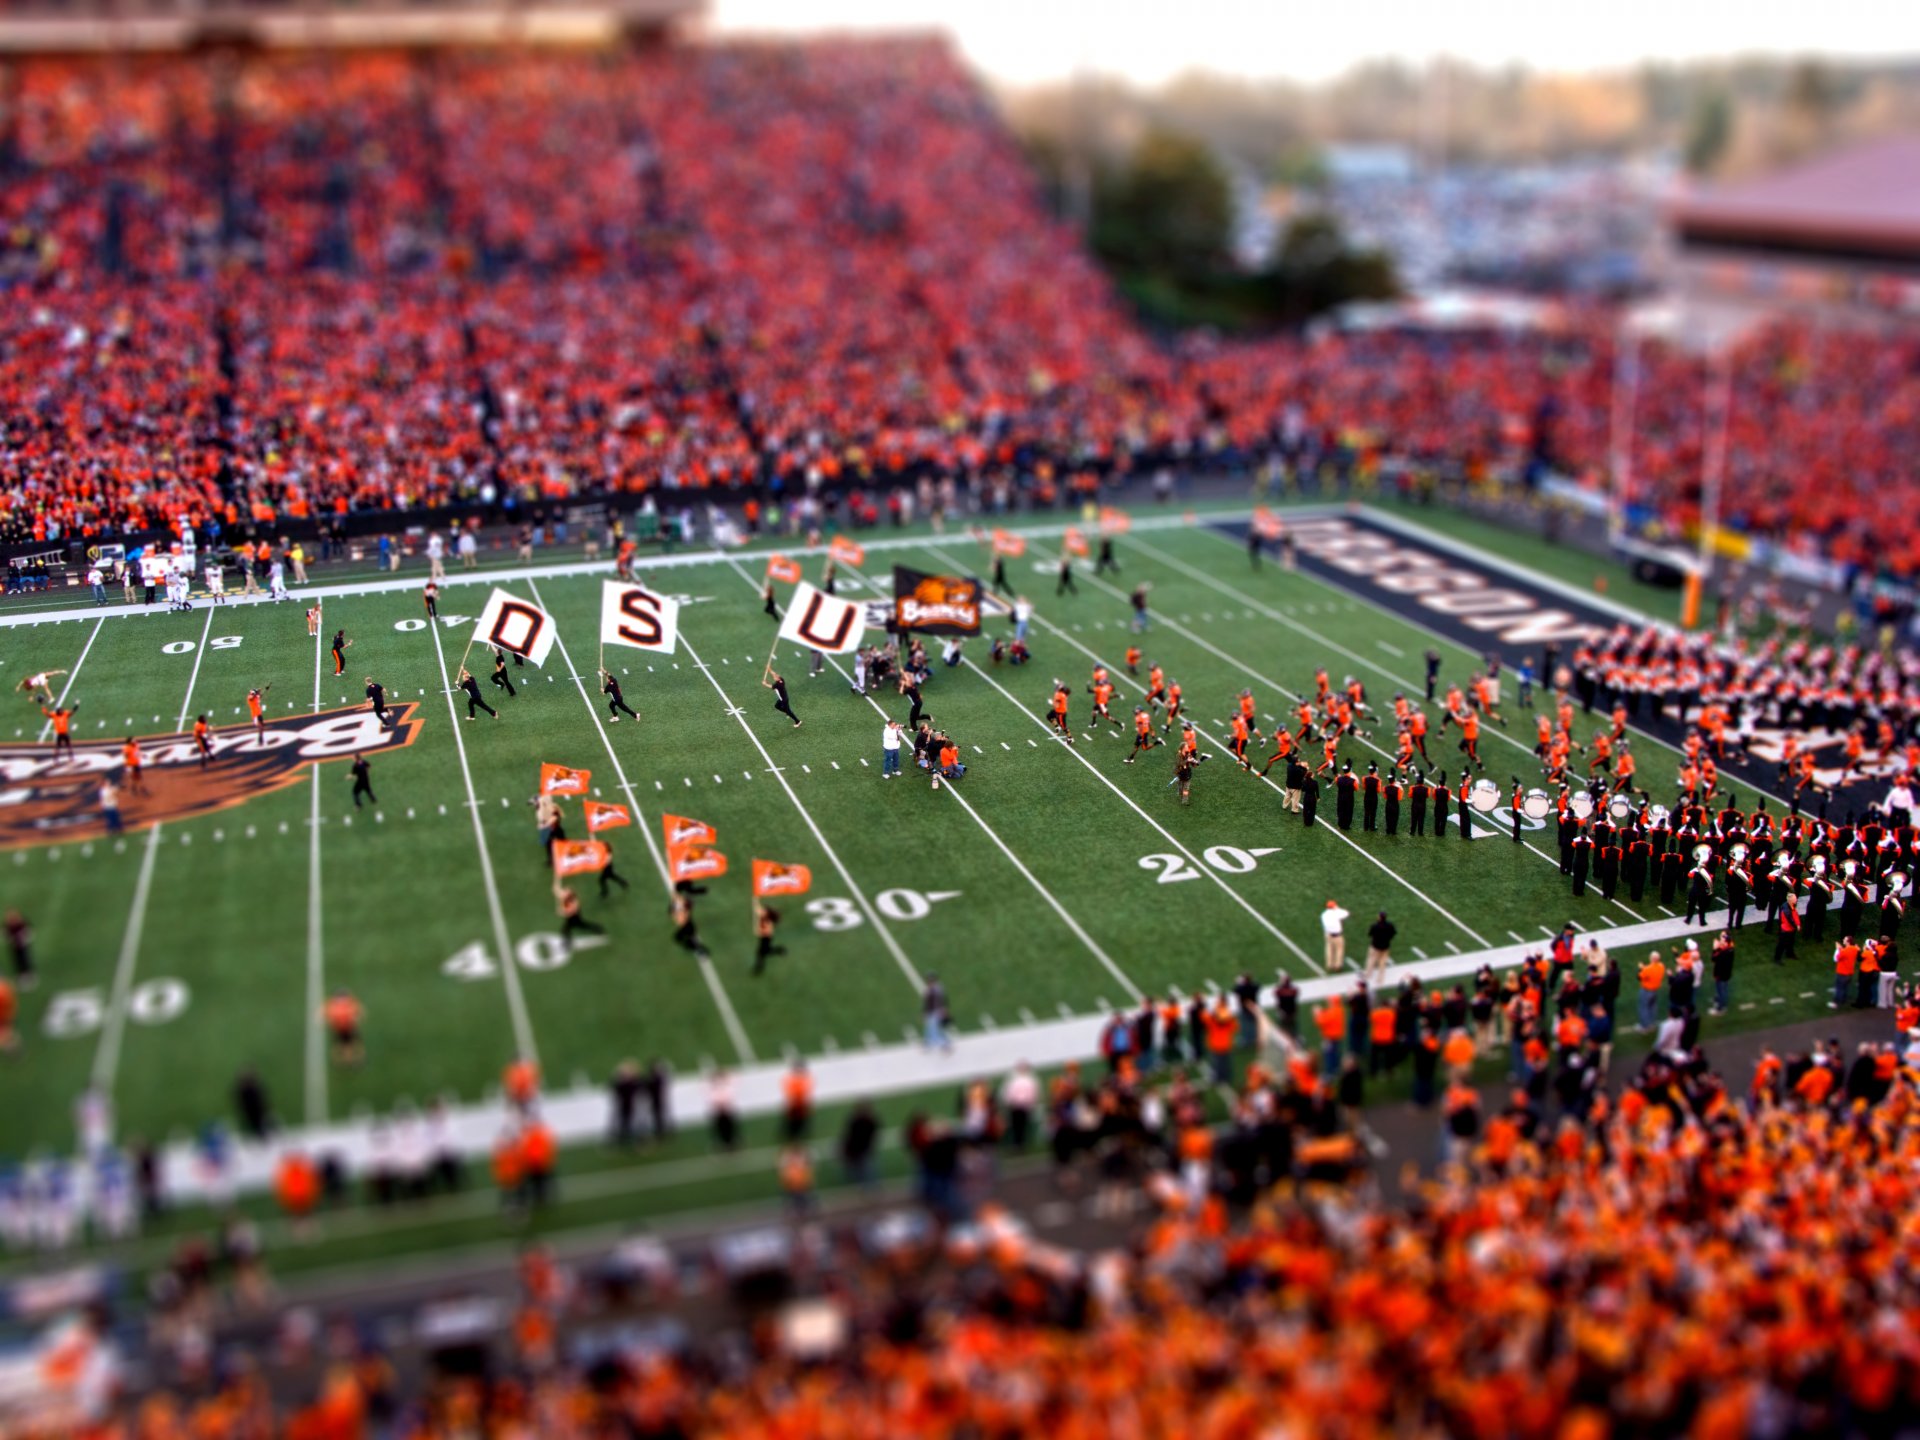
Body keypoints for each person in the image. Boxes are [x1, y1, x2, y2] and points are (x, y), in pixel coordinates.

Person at [324, 990, 363, 1065]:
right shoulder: (347, 1005)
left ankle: (346, 1060)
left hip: (345, 1027)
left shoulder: (335, 1005)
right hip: (346, 1027)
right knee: (348, 1045)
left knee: (345, 1044)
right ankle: (348, 1061)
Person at [752, 903, 785, 976]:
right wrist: (755, 903)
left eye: (764, 911)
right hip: (764, 937)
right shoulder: (764, 915)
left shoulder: (768, 923)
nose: (763, 911)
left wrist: (758, 932)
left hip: (766, 938)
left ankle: (760, 966)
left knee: (762, 952)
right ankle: (780, 950)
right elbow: (758, 910)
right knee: (765, 951)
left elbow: (766, 932)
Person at [923, 974, 952, 1051]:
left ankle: (944, 1045)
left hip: (936, 1011)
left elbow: (942, 1000)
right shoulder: (930, 989)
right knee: (930, 1028)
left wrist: (944, 1010)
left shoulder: (937, 989)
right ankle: (928, 1043)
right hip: (931, 1012)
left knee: (934, 1029)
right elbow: (927, 1002)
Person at [4, 912, 33, 990]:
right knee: (17, 961)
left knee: (24, 959)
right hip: (15, 946)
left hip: (22, 945)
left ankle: (28, 975)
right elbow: (6, 934)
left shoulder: (21, 924)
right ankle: (22, 975)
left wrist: (23, 939)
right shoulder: (9, 925)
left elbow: (27, 932)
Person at [1365, 912, 1396, 980]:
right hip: (1385, 946)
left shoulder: (1375, 926)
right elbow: (1393, 933)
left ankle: (1368, 974)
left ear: (1379, 917)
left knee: (1371, 960)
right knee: (1382, 962)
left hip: (1375, 946)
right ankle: (1380, 978)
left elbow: (1370, 934)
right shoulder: (1389, 925)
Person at [1321, 900, 1351, 971]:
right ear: (1334, 906)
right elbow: (1346, 913)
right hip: (1337, 935)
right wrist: (1337, 908)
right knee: (1339, 949)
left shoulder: (1323, 915)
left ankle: (1329, 964)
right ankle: (1337, 965)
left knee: (1329, 948)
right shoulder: (1336, 913)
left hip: (1328, 934)